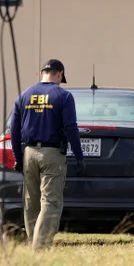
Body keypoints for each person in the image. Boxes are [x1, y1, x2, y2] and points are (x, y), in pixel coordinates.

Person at [9, 59, 85, 251]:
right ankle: (40, 249)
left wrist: (18, 158)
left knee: (31, 203)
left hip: (29, 153)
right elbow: (71, 127)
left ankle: (33, 245)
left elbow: (14, 131)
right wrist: (79, 156)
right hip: (52, 154)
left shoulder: (23, 96)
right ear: (60, 74)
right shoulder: (63, 96)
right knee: (50, 202)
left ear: (41, 73)